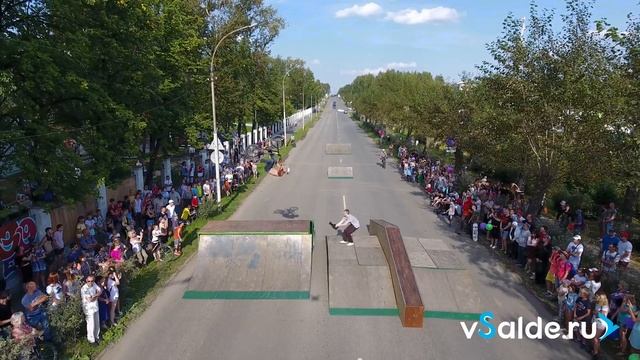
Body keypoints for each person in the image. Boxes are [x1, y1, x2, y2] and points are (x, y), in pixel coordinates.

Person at [80, 275, 101, 345]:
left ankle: (97, 336)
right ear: (86, 280)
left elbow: (100, 291)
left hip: (95, 307)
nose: (90, 282)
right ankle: (91, 340)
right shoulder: (84, 289)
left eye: (92, 281)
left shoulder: (94, 284)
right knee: (91, 325)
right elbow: (90, 300)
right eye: (89, 281)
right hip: (88, 309)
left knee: (97, 323)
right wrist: (96, 296)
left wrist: (94, 296)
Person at [592, 293, 610, 357]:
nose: (596, 297)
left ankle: (595, 353)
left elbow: (601, 315)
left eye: (597, 296)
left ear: (601, 298)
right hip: (595, 321)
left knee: (595, 338)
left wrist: (596, 312)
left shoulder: (605, 306)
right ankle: (597, 351)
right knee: (595, 338)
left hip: (601, 324)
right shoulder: (597, 303)